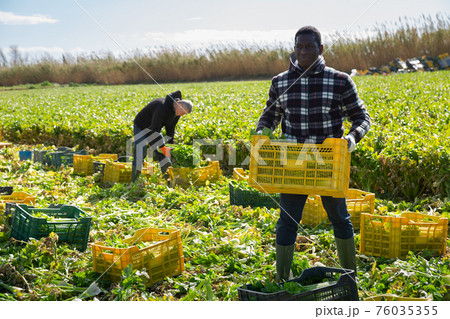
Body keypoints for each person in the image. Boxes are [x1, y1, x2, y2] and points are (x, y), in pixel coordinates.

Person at [255, 26, 371, 282]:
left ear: (320, 49)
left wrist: (352, 138)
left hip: (329, 163)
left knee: (340, 218)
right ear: (294, 49)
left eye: (309, 46)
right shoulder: (281, 81)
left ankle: (350, 277)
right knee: (287, 221)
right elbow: (270, 115)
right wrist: (262, 130)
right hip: (294, 163)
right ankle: (282, 279)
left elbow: (362, 117)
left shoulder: (340, 80)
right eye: (299, 47)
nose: (303, 51)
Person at [132, 90, 193, 182]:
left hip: (155, 129)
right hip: (141, 127)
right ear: (180, 106)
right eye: (183, 113)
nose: (182, 115)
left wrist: (171, 145)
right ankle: (134, 181)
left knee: (164, 155)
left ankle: (169, 181)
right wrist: (162, 147)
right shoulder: (161, 106)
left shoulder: (176, 113)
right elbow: (154, 129)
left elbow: (170, 129)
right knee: (141, 153)